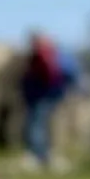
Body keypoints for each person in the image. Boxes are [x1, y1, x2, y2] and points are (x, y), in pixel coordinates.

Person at [19, 30, 70, 168]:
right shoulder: (55, 54)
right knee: (43, 126)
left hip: (40, 96)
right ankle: (45, 155)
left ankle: (37, 156)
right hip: (50, 95)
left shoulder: (41, 55)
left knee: (36, 126)